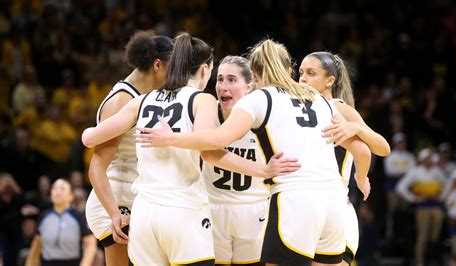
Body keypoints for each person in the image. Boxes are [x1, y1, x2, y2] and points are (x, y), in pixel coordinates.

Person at [135, 38, 372, 266]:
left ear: (254, 77)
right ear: (288, 69)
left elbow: (216, 140)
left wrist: (171, 138)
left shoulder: (259, 98)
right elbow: (363, 150)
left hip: (295, 197)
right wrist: (361, 178)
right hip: (332, 200)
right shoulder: (318, 98)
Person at [82, 33, 300, 265]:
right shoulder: (202, 101)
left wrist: (89, 130)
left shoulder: (143, 101)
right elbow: (209, 150)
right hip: (182, 211)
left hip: (144, 213)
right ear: (205, 70)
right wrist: (263, 171)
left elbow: (89, 138)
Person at [84, 30, 173, 266]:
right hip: (115, 199)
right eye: (171, 69)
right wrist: (114, 213)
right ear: (157, 65)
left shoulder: (146, 95)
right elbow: (96, 166)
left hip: (132, 194)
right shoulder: (121, 100)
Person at [298, 51, 391, 266]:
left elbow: (382, 148)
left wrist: (356, 128)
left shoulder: (338, 107)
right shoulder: (299, 108)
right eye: (301, 72)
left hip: (334, 204)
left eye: (311, 73)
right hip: (307, 203)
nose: (303, 78)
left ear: (330, 81)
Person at [203, 55, 269, 265]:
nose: (223, 86)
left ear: (249, 87)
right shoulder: (206, 111)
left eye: (232, 80)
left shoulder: (263, 115)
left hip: (253, 208)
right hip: (212, 206)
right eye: (220, 79)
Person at [25, 179, 96, 266]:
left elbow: (90, 243)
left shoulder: (79, 217)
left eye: (62, 188)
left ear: (71, 196)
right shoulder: (44, 217)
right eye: (54, 188)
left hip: (72, 263)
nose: (57, 191)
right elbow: (35, 248)